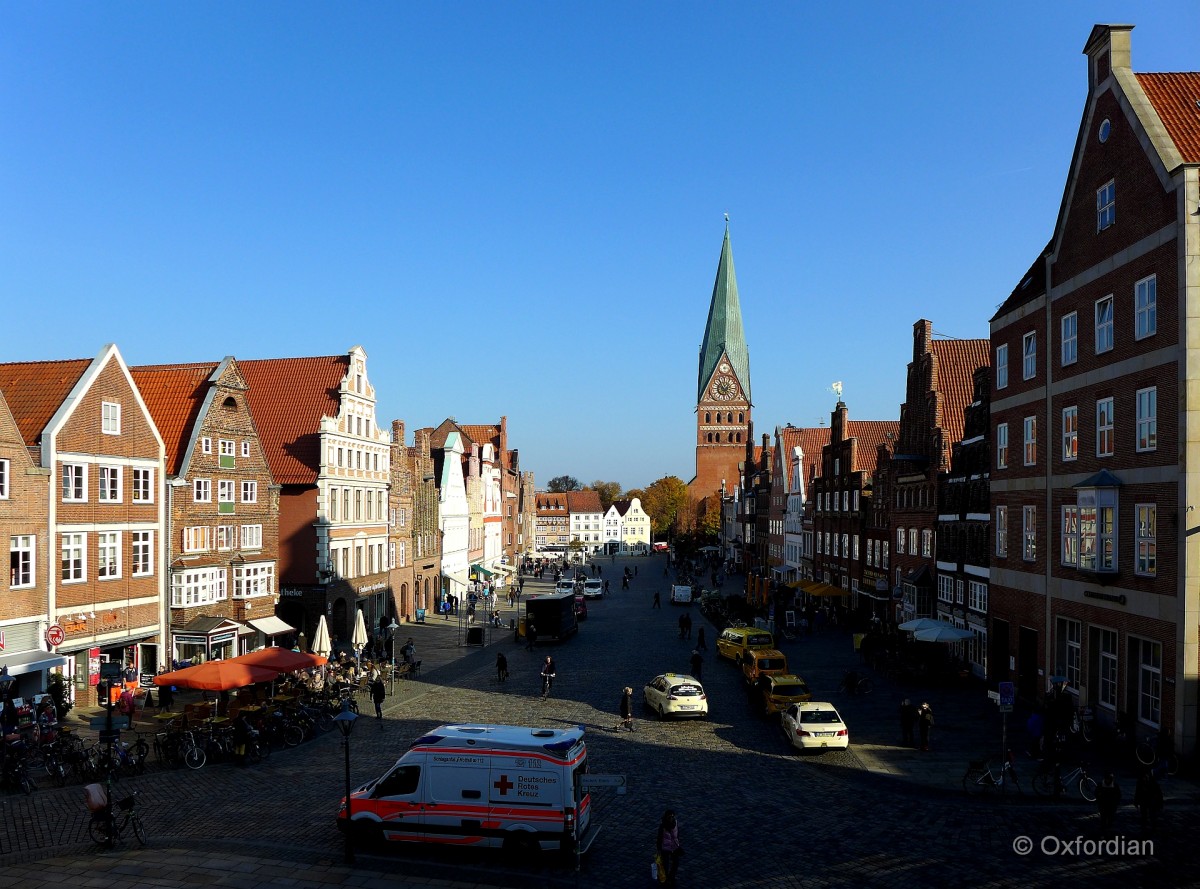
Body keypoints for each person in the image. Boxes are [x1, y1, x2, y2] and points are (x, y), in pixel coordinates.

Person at [656, 809, 683, 887]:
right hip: (665, 848)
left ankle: (671, 877)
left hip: (674, 847)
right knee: (665, 865)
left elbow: (677, 835)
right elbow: (659, 838)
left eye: (672, 816)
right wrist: (658, 849)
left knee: (676, 863)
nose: (671, 818)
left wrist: (678, 844)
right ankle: (666, 879)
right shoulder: (663, 826)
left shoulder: (675, 823)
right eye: (669, 816)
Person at [1096, 773, 1122, 837]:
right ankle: (1104, 831)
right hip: (1103, 805)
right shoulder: (1101, 785)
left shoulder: (1115, 786)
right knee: (1103, 818)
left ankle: (1107, 831)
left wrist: (1116, 803)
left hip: (1111, 805)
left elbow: (1119, 795)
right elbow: (1096, 793)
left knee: (1110, 818)